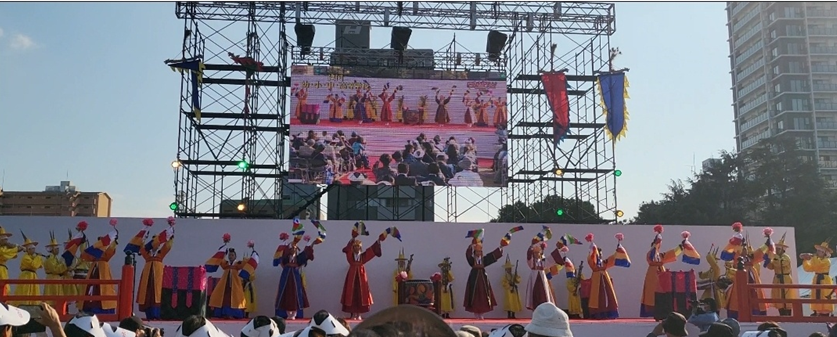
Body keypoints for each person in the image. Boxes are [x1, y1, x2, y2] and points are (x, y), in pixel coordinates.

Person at [340, 222, 387, 320]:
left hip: (361, 275)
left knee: (361, 294)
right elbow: (347, 250)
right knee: (351, 293)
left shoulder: (363, 257)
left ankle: (359, 314)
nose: (357, 248)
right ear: (353, 248)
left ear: (360, 248)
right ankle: (352, 313)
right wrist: (353, 238)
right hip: (352, 274)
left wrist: (378, 240)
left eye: (358, 247)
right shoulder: (351, 257)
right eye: (355, 247)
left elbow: (372, 251)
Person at [721, 222, 767, 319]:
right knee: (737, 298)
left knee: (754, 294)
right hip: (739, 275)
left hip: (751, 275)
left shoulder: (749, 251)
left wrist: (768, 243)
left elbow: (757, 255)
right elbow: (728, 258)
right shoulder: (735, 249)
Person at [274, 221, 316, 320]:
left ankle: (295, 313)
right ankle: (286, 313)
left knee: (296, 293)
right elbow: (279, 258)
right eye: (292, 248)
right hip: (286, 276)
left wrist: (310, 243)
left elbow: (307, 254)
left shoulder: (298, 258)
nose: (293, 250)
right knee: (286, 293)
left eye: (295, 248)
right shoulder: (285, 258)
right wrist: (283, 242)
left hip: (296, 276)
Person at [463, 229, 506, 320]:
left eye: (480, 252)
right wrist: (472, 245)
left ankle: (481, 313)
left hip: (483, 278)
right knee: (474, 295)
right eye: (477, 252)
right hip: (474, 278)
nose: (479, 253)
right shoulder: (472, 261)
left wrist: (501, 247)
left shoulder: (484, 260)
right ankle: (475, 313)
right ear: (475, 253)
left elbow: (492, 256)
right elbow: (468, 255)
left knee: (483, 295)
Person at [640, 225, 682, 317]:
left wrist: (681, 246)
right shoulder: (650, 254)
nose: (657, 246)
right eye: (656, 244)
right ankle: (651, 311)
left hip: (661, 274)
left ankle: (662, 311)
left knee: (663, 292)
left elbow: (671, 254)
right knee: (652, 292)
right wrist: (657, 239)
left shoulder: (660, 255)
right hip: (653, 274)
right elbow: (651, 256)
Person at [137, 218, 175, 320]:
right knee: (146, 294)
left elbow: (168, 245)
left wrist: (171, 230)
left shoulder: (161, 253)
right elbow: (141, 247)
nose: (155, 243)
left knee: (157, 294)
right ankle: (148, 314)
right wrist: (145, 230)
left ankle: (157, 314)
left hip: (158, 273)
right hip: (147, 273)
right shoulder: (147, 253)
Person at [585, 233, 627, 320]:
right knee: (598, 298)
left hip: (604, 278)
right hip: (597, 279)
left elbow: (612, 259)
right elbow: (591, 261)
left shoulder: (603, 263)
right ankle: (597, 314)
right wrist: (592, 250)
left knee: (608, 296)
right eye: (599, 253)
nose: (600, 254)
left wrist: (618, 250)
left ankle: (609, 313)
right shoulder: (593, 262)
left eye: (600, 253)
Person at [206, 233, 246, 319]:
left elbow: (244, 264)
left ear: (235, 256)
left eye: (232, 255)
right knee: (224, 298)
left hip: (234, 284)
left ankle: (234, 314)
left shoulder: (237, 264)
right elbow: (221, 260)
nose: (231, 256)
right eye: (230, 255)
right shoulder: (226, 264)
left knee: (235, 298)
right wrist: (224, 248)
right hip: (225, 284)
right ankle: (223, 313)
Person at [81, 222, 119, 314]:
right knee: (91, 289)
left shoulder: (106, 256)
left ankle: (104, 309)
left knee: (104, 289)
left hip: (103, 270)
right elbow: (84, 255)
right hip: (94, 270)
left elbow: (111, 252)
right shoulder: (93, 252)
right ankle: (89, 307)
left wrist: (114, 242)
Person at [524, 230, 567, 311]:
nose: (537, 254)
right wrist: (532, 245)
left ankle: (543, 310)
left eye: (538, 253)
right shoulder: (532, 261)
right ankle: (536, 310)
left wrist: (559, 249)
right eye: (536, 253)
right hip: (534, 278)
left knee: (543, 294)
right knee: (535, 294)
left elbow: (551, 258)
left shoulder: (543, 262)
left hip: (542, 278)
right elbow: (529, 255)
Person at [800, 239, 834, 317]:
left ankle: (825, 312)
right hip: (817, 278)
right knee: (816, 295)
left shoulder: (826, 260)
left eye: (820, 251)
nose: (818, 252)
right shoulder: (816, 259)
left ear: (825, 253)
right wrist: (805, 259)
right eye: (818, 250)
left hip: (824, 280)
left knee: (824, 296)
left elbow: (818, 264)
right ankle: (816, 310)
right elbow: (808, 268)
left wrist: (812, 256)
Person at [766, 233, 796, 316]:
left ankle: (788, 315)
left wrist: (772, 257)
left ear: (782, 249)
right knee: (778, 297)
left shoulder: (786, 257)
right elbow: (771, 266)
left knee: (787, 297)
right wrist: (768, 261)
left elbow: (780, 264)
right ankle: (781, 314)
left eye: (778, 248)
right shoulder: (775, 257)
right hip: (777, 279)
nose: (777, 250)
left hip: (785, 279)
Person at [13, 231, 43, 305]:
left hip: (33, 275)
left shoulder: (32, 257)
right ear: (28, 250)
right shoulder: (25, 257)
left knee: (33, 292)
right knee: (25, 291)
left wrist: (37, 257)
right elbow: (34, 265)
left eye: (34, 248)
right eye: (32, 249)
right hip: (26, 275)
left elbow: (40, 265)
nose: (34, 250)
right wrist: (38, 257)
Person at [44, 231, 69, 309]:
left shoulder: (55, 258)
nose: (58, 250)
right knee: (52, 298)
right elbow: (55, 269)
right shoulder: (50, 259)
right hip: (52, 279)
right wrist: (65, 265)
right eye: (56, 249)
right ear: (52, 250)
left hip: (56, 279)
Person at [0, 226, 22, 295]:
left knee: (5, 288)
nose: (6, 241)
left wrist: (12, 246)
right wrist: (16, 249)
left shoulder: (4, 247)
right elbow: (4, 253)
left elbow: (12, 255)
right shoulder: (2, 249)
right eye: (4, 240)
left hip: (3, 270)